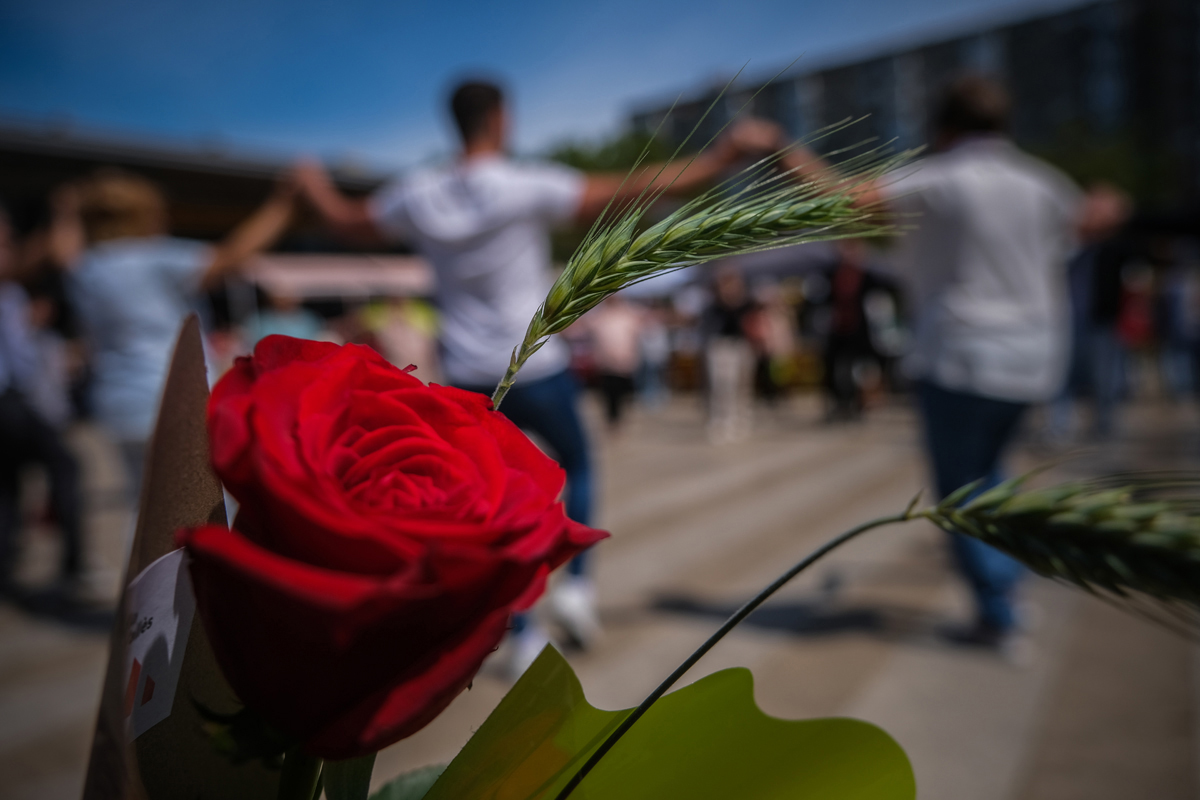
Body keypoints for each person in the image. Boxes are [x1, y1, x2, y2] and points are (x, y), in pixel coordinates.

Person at [293, 78, 768, 674]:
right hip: (537, 366)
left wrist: (311, 184)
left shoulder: (416, 193)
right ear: (499, 119)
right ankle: (577, 588)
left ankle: (520, 635)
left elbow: (343, 221)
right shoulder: (524, 184)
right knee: (581, 465)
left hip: (467, 378)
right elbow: (633, 189)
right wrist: (722, 157)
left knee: (491, 507)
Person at [776, 75, 1120, 653]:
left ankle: (995, 614)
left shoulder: (939, 177)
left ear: (943, 130)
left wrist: (783, 152)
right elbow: (1089, 221)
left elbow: (842, 198)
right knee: (995, 478)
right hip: (1035, 359)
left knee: (959, 492)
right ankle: (1007, 590)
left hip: (961, 356)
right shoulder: (1043, 182)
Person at [62, 170, 296, 501]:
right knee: (206, 504)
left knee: (143, 506)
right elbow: (232, 256)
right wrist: (282, 205)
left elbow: (62, 249)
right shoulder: (153, 256)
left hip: (116, 401)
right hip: (169, 394)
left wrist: (65, 213)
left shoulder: (85, 267)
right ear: (147, 215)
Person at [0, 204, 85, 599]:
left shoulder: (13, 292)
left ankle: (9, 566)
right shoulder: (12, 281)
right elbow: (51, 250)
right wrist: (64, 213)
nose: (9, 248)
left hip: (18, 400)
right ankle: (73, 565)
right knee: (65, 467)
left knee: (10, 484)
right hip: (8, 403)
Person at [701, 268, 757, 444]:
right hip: (721, 347)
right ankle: (720, 422)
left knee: (742, 385)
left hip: (741, 346)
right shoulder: (714, 304)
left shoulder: (746, 302)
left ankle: (741, 420)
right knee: (722, 386)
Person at [585, 294, 645, 433]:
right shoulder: (600, 315)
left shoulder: (628, 314)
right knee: (609, 395)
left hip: (625, 363)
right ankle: (612, 421)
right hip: (606, 364)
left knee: (624, 394)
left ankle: (620, 419)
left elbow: (638, 332)